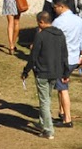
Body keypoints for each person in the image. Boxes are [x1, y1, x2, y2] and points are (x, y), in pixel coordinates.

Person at [21, 9, 69, 139]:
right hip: (56, 73)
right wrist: (66, 73)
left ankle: (48, 130)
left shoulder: (40, 36)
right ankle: (43, 123)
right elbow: (65, 55)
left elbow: (33, 56)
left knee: (44, 102)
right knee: (47, 98)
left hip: (42, 73)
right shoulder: (60, 34)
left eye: (38, 23)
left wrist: (26, 71)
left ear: (42, 22)